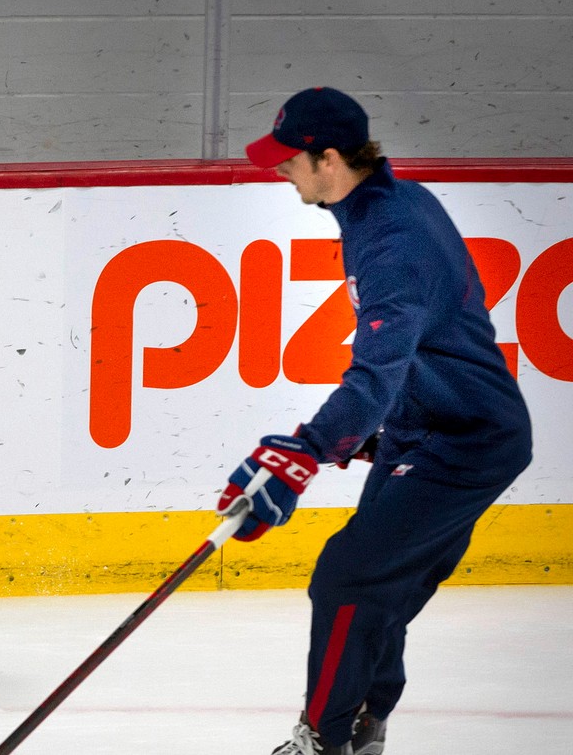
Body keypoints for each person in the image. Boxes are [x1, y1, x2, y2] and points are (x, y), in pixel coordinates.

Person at [219, 87, 532, 754]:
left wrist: (306, 452)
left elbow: (376, 370)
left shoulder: (393, 236)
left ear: (328, 158)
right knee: (377, 585)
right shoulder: (372, 207)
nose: (279, 171)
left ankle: (325, 740)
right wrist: (370, 432)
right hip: (427, 424)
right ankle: (363, 723)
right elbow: (426, 343)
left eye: (289, 160)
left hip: (469, 439)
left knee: (349, 576)